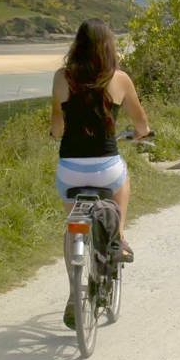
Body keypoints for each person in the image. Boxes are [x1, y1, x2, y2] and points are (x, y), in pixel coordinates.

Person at [49, 18, 152, 265]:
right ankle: (119, 236)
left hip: (70, 170)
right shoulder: (120, 78)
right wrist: (142, 132)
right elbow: (141, 123)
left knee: (73, 229)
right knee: (123, 179)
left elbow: (57, 125)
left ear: (78, 45)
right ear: (108, 46)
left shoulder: (62, 77)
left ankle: (75, 291)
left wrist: (56, 133)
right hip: (107, 170)